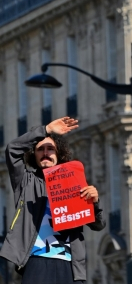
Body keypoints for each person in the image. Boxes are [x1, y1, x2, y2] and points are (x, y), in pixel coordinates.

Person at [0, 116, 105, 283]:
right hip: (36, 261)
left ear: (59, 153)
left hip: (70, 265)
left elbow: (98, 225)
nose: (45, 153)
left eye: (50, 149)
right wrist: (46, 130)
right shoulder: (26, 182)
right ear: (33, 155)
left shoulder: (74, 183)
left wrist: (94, 201)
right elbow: (12, 149)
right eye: (40, 149)